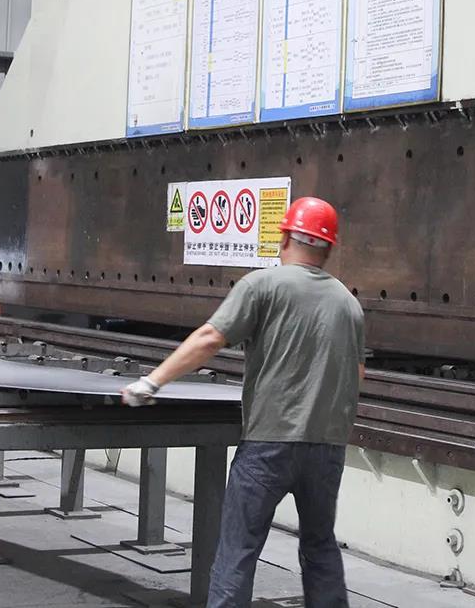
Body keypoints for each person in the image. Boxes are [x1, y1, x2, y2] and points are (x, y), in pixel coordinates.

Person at [121, 197, 365, 608]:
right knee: (320, 546)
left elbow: (209, 338)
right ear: (328, 248)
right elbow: (356, 376)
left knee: (238, 549)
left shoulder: (261, 286)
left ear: (284, 237)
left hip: (268, 444)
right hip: (327, 448)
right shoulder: (348, 304)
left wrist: (150, 382)